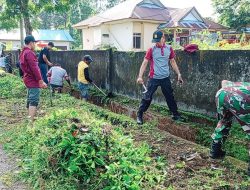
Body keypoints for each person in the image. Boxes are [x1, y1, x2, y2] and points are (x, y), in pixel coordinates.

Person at [136, 30, 184, 125]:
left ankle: (175, 114)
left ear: (163, 38)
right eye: (156, 40)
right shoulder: (151, 49)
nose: (157, 42)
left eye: (159, 40)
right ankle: (139, 114)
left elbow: (172, 61)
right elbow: (145, 62)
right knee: (147, 97)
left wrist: (178, 74)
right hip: (154, 78)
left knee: (170, 96)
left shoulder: (169, 48)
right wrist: (140, 76)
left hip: (165, 78)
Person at [210, 80, 250, 175]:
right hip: (242, 99)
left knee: (224, 122)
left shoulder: (242, 85)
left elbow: (223, 81)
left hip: (221, 94)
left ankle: (215, 154)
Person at [20, 35, 47, 123]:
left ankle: (29, 117)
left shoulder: (23, 52)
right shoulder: (29, 53)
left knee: (30, 99)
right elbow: (35, 68)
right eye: (34, 43)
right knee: (34, 100)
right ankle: (30, 122)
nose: (35, 45)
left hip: (27, 78)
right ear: (31, 43)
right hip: (32, 79)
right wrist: (40, 80)